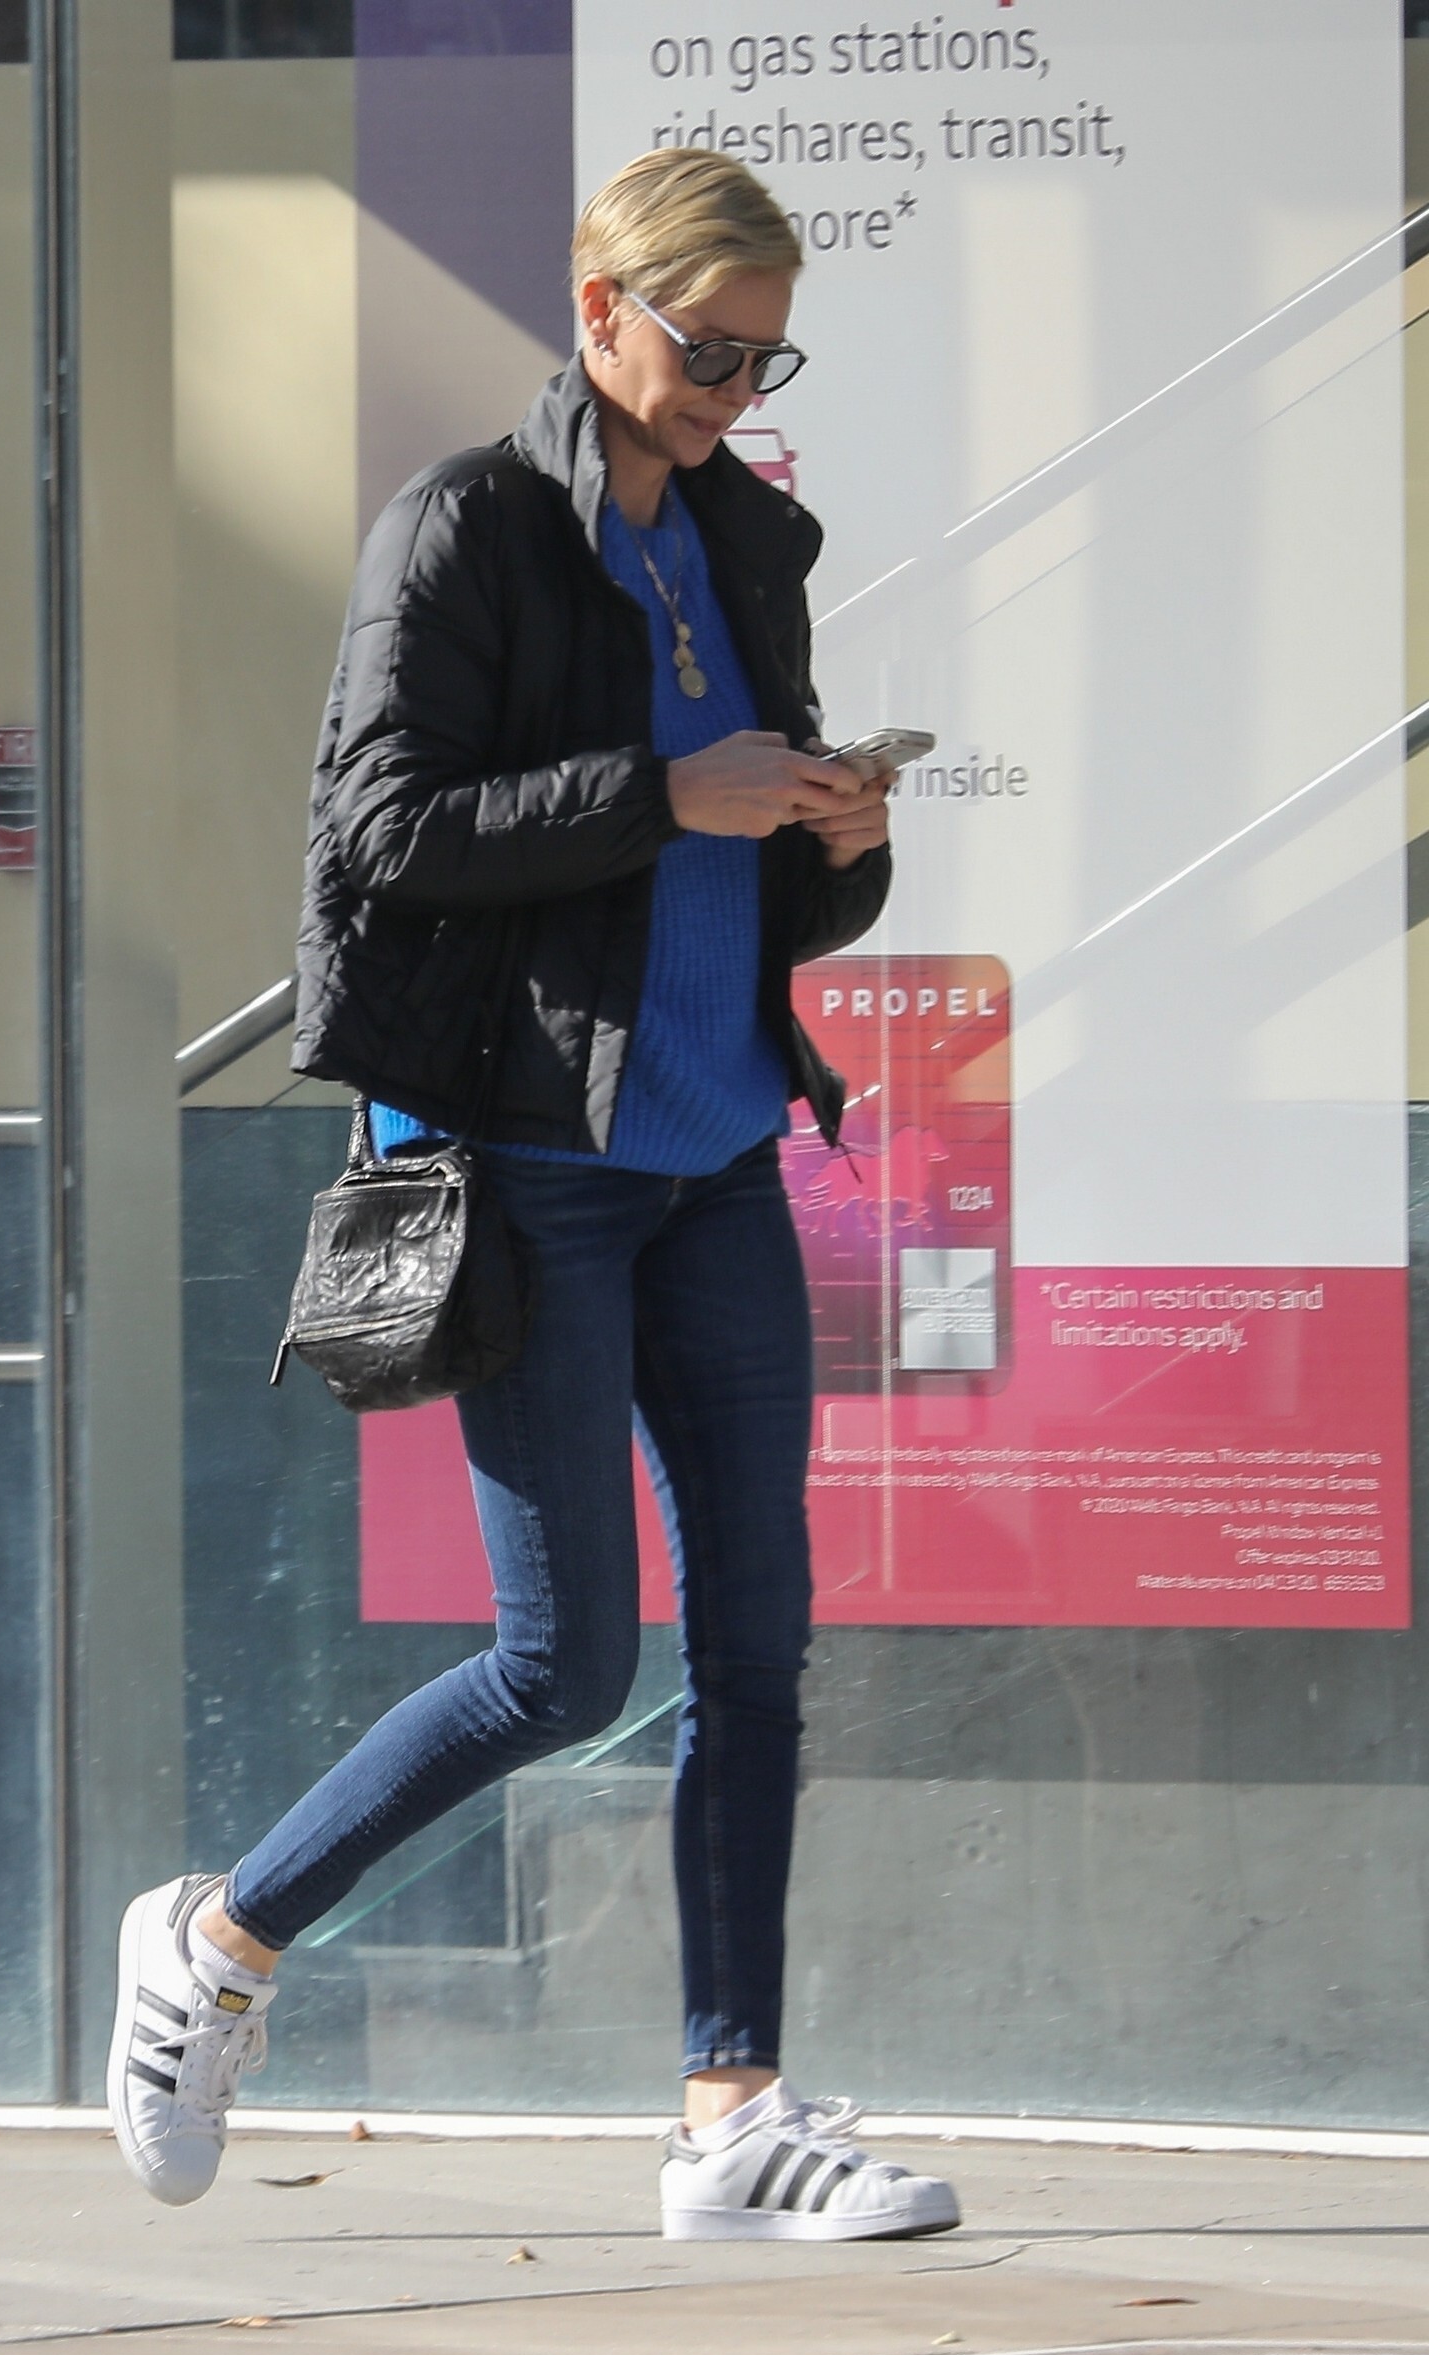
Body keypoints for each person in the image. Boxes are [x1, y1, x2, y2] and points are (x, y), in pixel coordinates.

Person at [107, 148, 961, 2245]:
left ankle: (731, 2118)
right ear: (598, 311)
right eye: (707, 349)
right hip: (536, 1171)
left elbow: (761, 889)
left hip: (718, 1156)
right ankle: (220, 1942)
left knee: (756, 1643)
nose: (734, 391)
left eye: (764, 360)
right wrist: (667, 791)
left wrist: (834, 840)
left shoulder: (745, 543)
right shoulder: (468, 525)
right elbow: (380, 830)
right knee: (564, 1668)